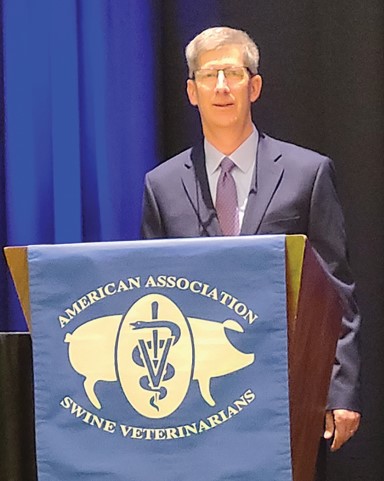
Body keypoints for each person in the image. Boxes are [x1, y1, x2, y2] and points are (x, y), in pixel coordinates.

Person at [141, 26, 361, 451]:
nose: (221, 86)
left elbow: (338, 291)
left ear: (254, 86)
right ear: (192, 91)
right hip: (194, 396)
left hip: (290, 391)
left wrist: (341, 389)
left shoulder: (307, 174)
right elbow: (155, 291)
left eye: (233, 73)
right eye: (209, 75)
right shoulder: (161, 185)